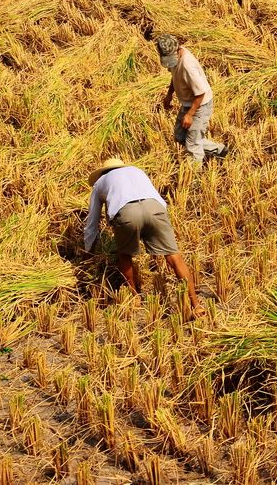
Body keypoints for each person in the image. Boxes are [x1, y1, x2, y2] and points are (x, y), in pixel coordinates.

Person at [84, 158, 201, 313]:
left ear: (103, 172)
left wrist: (89, 250)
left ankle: (135, 296)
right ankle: (196, 305)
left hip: (127, 212)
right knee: (174, 257)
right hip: (155, 208)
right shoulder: (137, 171)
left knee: (124, 255)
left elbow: (92, 221)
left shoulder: (100, 182)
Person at [156, 34, 227, 164]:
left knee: (192, 145)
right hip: (189, 102)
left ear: (177, 50)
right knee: (180, 136)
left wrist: (190, 114)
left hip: (200, 105)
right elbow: (175, 76)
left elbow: (201, 93)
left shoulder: (188, 66)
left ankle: (194, 179)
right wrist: (169, 95)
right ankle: (219, 150)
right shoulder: (175, 57)